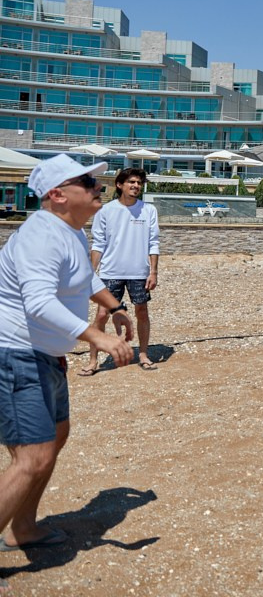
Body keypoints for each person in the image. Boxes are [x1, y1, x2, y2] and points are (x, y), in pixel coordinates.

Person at [0, 155, 133, 577]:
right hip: (16, 354)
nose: (100, 187)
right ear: (58, 195)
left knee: (54, 438)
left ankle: (22, 528)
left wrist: (115, 308)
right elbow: (38, 303)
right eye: (88, 182)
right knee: (32, 457)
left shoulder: (70, 231)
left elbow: (84, 279)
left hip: (44, 356)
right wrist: (97, 337)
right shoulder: (40, 236)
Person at [83, 167, 160, 374]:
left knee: (142, 311)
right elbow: (98, 244)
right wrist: (91, 273)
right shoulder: (105, 211)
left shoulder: (149, 210)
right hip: (110, 272)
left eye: (139, 183)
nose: (136, 186)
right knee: (101, 315)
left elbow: (153, 243)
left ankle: (143, 354)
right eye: (132, 182)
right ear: (120, 185)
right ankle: (93, 360)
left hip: (139, 272)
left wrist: (153, 271)